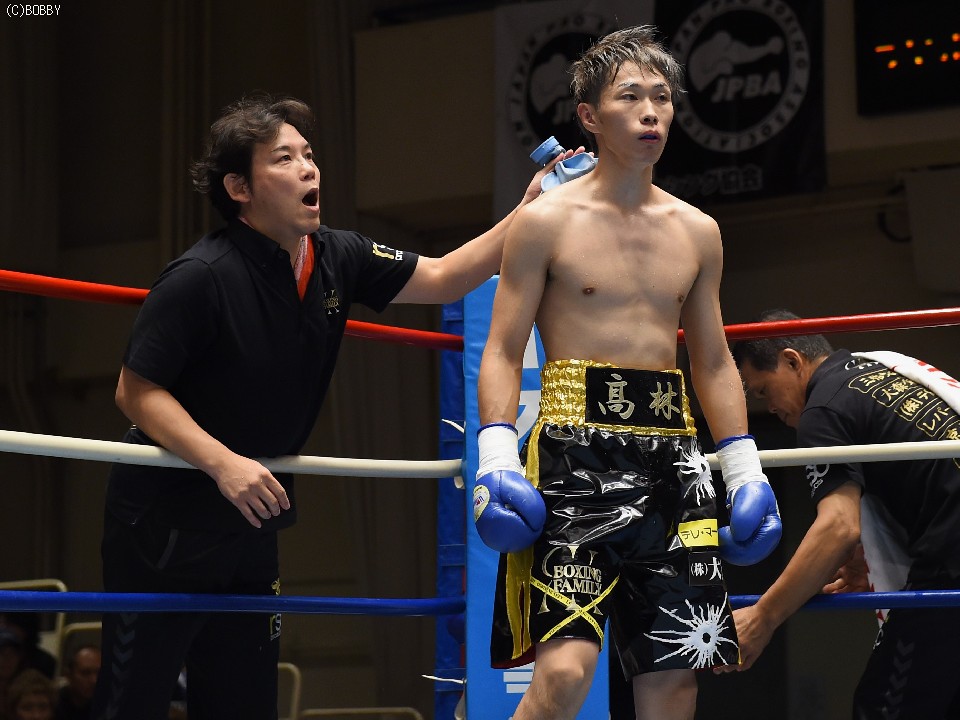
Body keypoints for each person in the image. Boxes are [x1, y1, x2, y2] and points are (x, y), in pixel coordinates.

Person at [90, 93, 579, 720]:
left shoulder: (336, 254)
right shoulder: (200, 275)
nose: (308, 168)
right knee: (132, 701)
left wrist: (529, 208)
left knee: (244, 704)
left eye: (309, 154)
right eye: (284, 159)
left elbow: (444, 277)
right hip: (164, 518)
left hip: (253, 516)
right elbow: (135, 391)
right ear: (239, 188)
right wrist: (223, 463)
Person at [471, 26, 782, 720]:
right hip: (574, 456)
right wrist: (495, 456)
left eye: (662, 98)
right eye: (631, 97)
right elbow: (502, 348)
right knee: (563, 676)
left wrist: (743, 468)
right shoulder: (544, 222)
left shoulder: (698, 230)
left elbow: (712, 359)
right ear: (589, 116)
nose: (651, 113)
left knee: (675, 684)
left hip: (675, 461)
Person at [721, 308, 960, 718]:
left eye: (764, 391)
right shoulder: (877, 373)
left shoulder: (823, 409)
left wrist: (763, 617)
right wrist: (875, 559)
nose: (770, 407)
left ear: (792, 361)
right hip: (947, 556)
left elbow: (838, 527)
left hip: (950, 567)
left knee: (881, 708)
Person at [55, 645, 100, 720]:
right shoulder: (54, 704)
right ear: (69, 675)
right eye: (85, 673)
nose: (94, 680)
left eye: (100, 673)